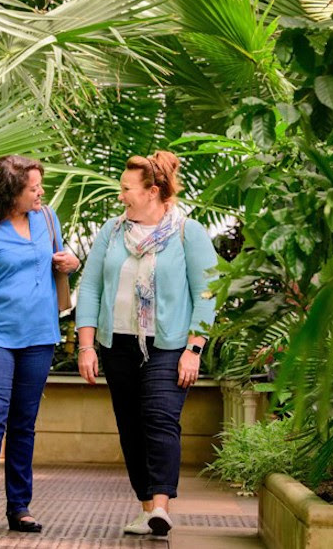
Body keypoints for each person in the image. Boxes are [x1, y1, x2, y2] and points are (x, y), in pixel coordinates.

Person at [75, 151, 217, 537]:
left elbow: (207, 294)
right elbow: (89, 287)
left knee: (159, 418)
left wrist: (193, 349)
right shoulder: (113, 231)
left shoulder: (189, 233)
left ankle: (161, 505)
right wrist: (86, 346)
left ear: (152, 191)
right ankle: (145, 508)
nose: (121, 195)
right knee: (130, 427)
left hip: (168, 345)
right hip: (116, 343)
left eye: (126, 189)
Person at [0, 155, 79, 534]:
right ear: (11, 193)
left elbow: (61, 261)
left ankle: (19, 507)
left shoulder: (47, 219)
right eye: (33, 188)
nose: (41, 191)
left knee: (24, 423)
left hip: (40, 336)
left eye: (40, 185)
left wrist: (71, 262)